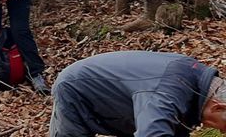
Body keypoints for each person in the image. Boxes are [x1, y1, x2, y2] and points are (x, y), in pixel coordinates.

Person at [48, 51, 226, 137]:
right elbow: (153, 134)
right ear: (217, 107)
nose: (220, 131)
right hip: (77, 88)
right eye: (224, 126)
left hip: (123, 98)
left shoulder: (197, 81)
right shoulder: (166, 92)